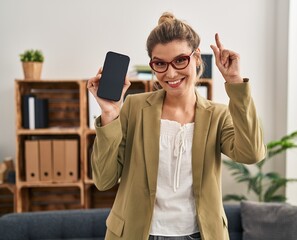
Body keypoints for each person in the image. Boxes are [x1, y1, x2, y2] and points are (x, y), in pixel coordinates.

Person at [87, 12, 266, 240]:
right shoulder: (133, 107)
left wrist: (235, 84)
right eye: (160, 64)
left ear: (197, 57)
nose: (170, 73)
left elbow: (252, 153)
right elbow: (103, 180)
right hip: (136, 234)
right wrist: (110, 115)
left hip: (200, 234)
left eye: (180, 60)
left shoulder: (218, 115)